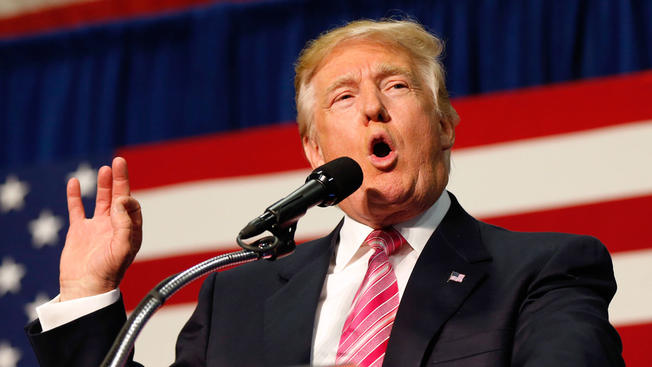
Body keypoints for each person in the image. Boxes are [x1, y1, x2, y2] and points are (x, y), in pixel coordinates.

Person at [26, 19, 624, 366]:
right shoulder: (234, 299)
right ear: (315, 151)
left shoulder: (547, 270)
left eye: (396, 86)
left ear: (444, 125)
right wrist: (86, 294)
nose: (371, 108)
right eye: (343, 97)